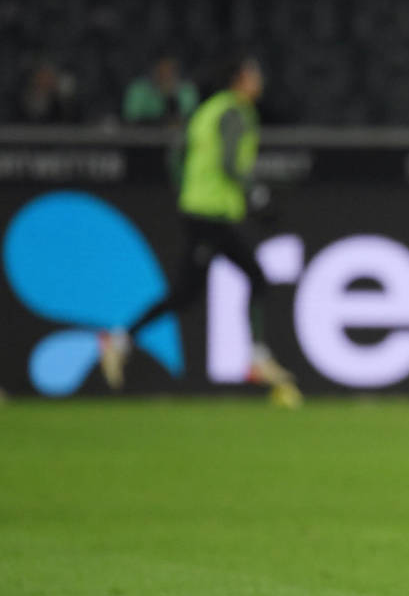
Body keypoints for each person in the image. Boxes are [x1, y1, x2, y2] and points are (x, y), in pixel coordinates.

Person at [99, 54, 299, 406]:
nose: (259, 80)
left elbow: (176, 155)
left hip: (199, 211)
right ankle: (256, 357)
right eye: (253, 74)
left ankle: (119, 340)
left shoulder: (206, 110)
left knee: (185, 295)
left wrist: (187, 190)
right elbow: (229, 163)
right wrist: (257, 192)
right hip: (211, 215)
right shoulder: (234, 112)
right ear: (239, 79)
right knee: (254, 277)